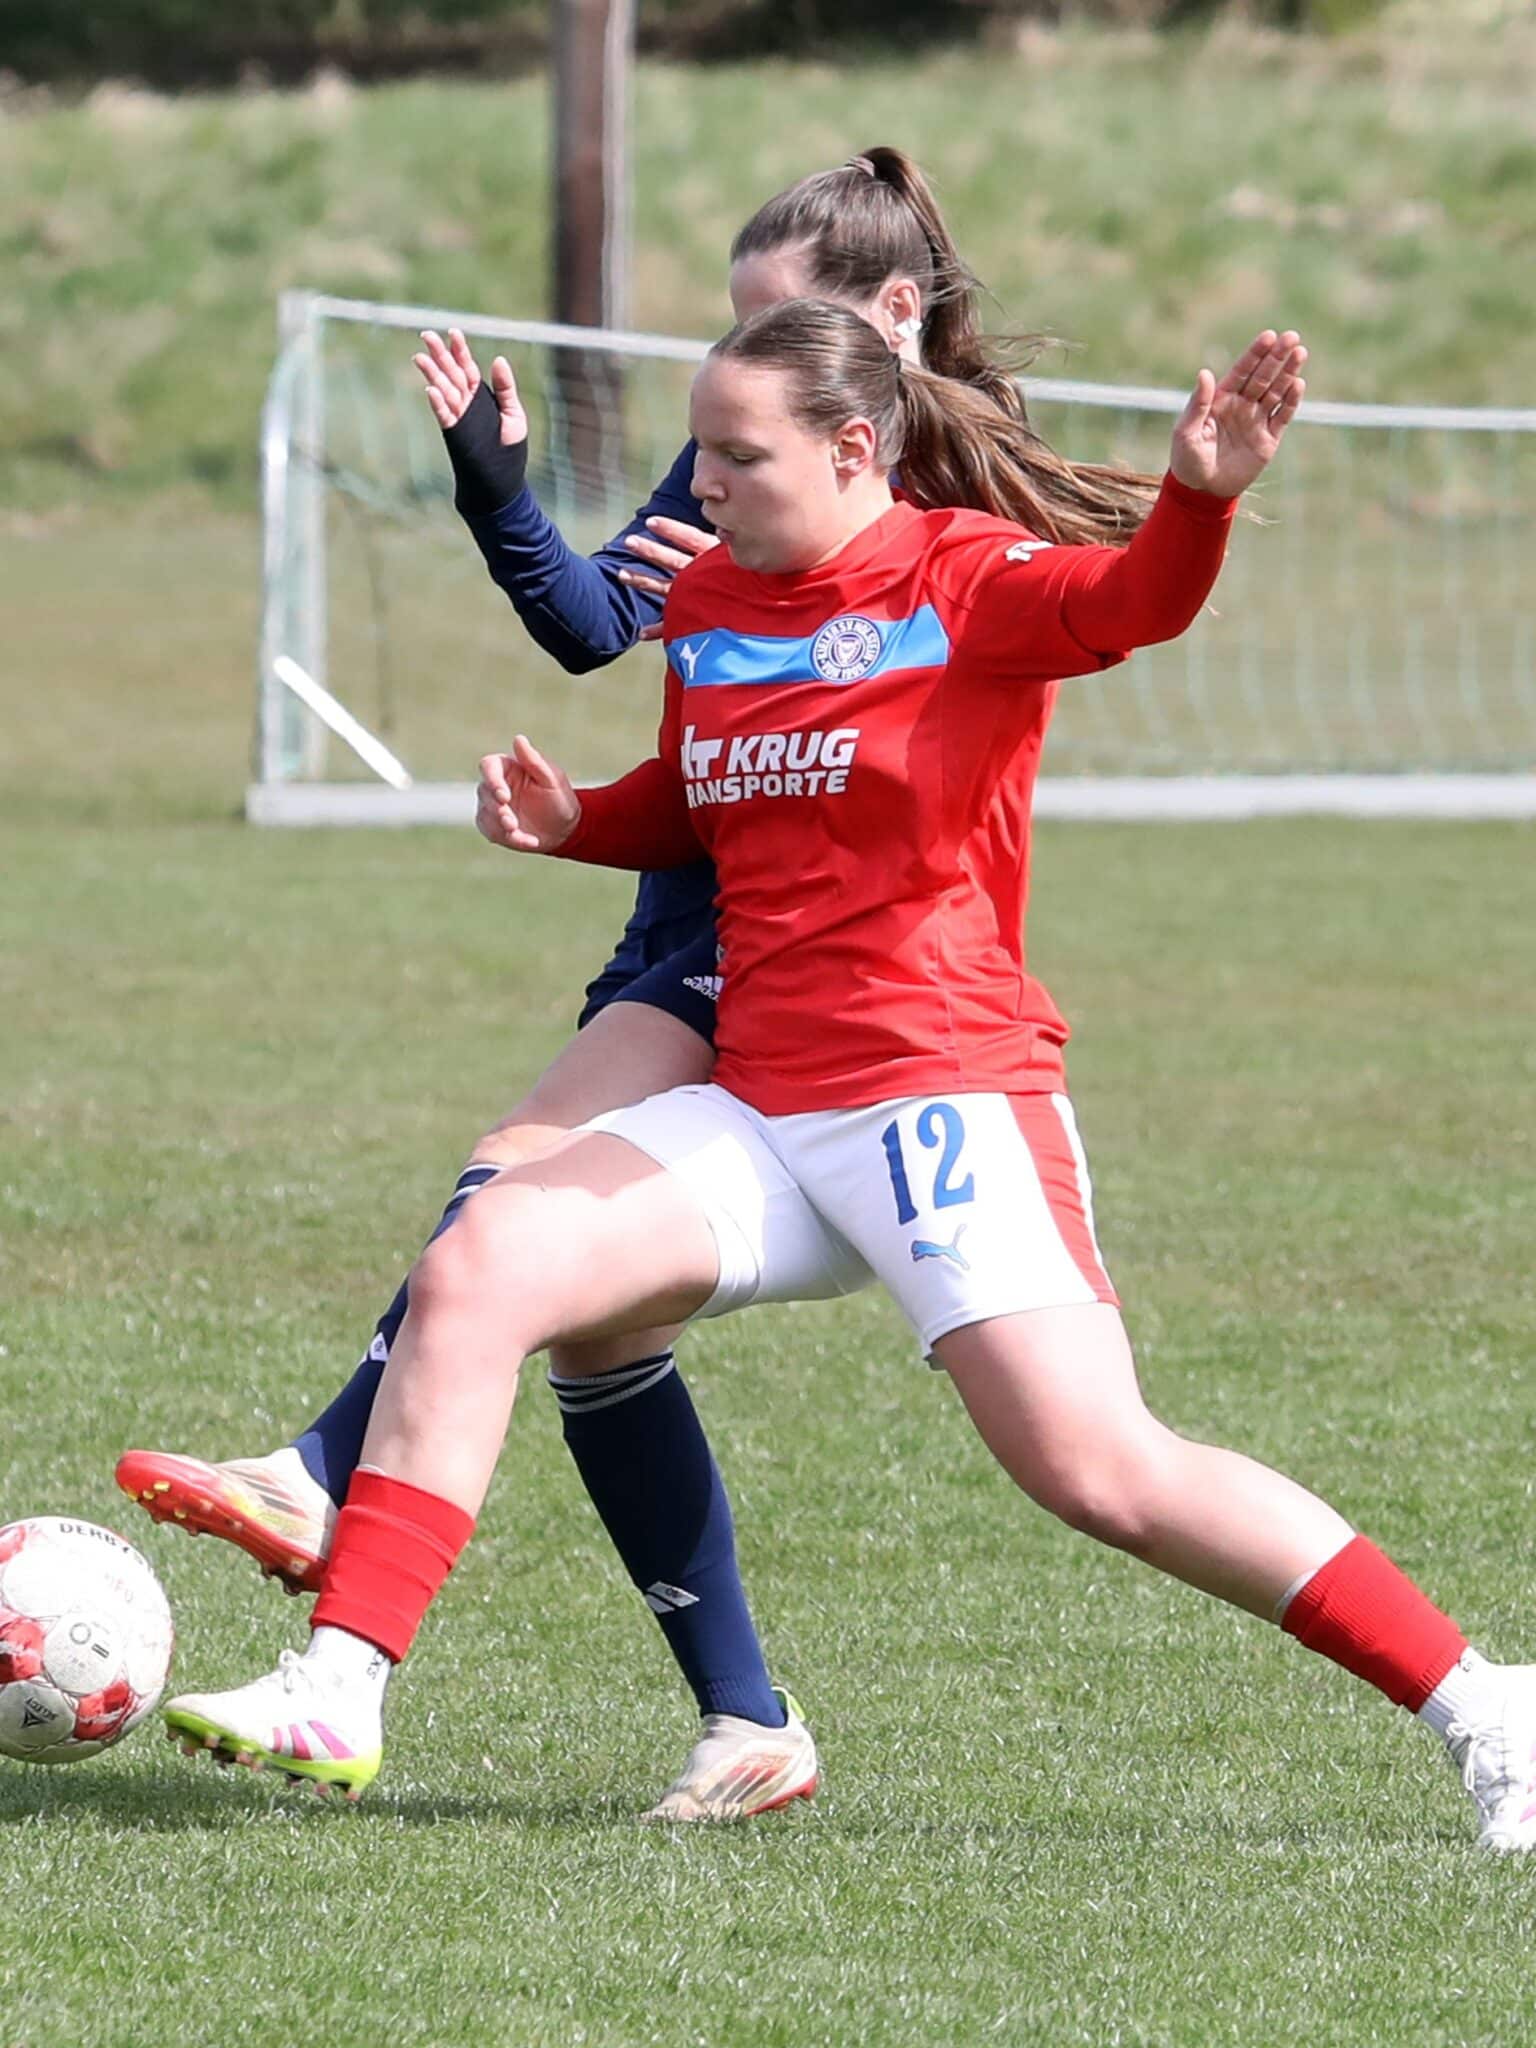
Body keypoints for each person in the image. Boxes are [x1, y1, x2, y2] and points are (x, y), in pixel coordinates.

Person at [165, 297, 1536, 1853]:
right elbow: (705, 800)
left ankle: (1490, 1703)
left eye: (737, 456)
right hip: (760, 1102)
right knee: (484, 1258)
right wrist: (576, 822)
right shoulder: (721, 606)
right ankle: (338, 1686)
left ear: (856, 446)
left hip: (938, 1099)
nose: (704, 486)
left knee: (1099, 1468)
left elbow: (1136, 603)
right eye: (703, 454)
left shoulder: (963, 576)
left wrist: (1201, 495)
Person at [118, 148, 1160, 1824]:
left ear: (886, 326)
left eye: (776, 323)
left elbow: (988, 672)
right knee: (598, 1339)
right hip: (671, 903)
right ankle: (745, 1722)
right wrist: (494, 486)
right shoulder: (748, 443)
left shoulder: (915, 510)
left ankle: (325, 1478)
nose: (727, 390)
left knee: (515, 1193)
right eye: (733, 322)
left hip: (771, 946)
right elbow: (598, 620)